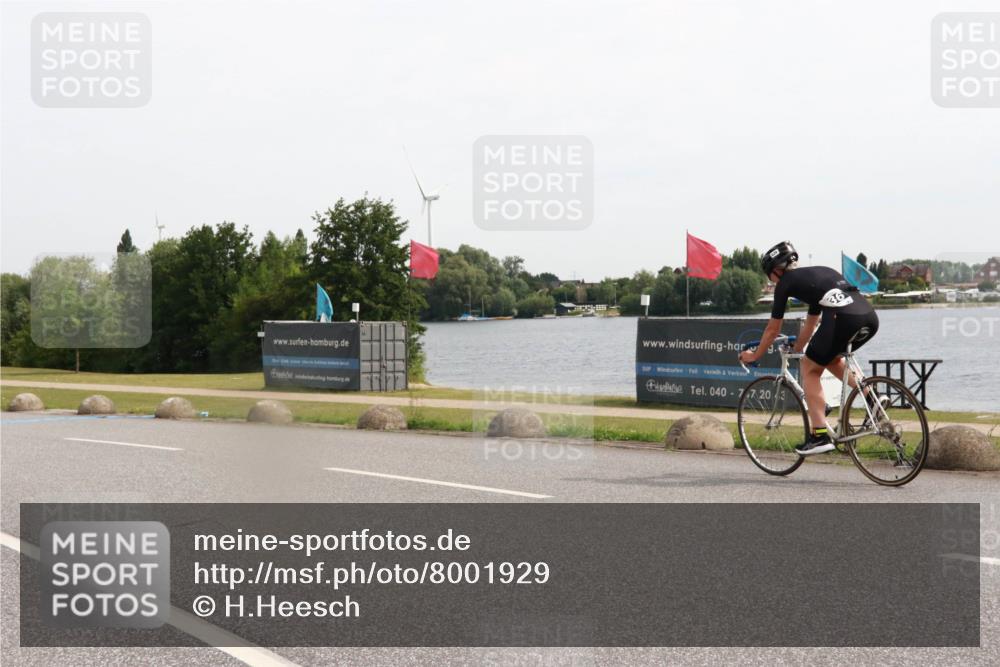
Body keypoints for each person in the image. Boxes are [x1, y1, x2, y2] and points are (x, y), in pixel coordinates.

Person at [738, 241, 880, 455]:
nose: (772, 280)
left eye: (770, 275)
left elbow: (772, 330)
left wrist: (755, 355)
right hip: (869, 317)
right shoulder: (818, 275)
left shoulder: (785, 283)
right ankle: (872, 398)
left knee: (809, 368)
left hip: (843, 318)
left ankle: (819, 435)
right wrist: (798, 347)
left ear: (776, 270)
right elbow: (812, 322)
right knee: (829, 359)